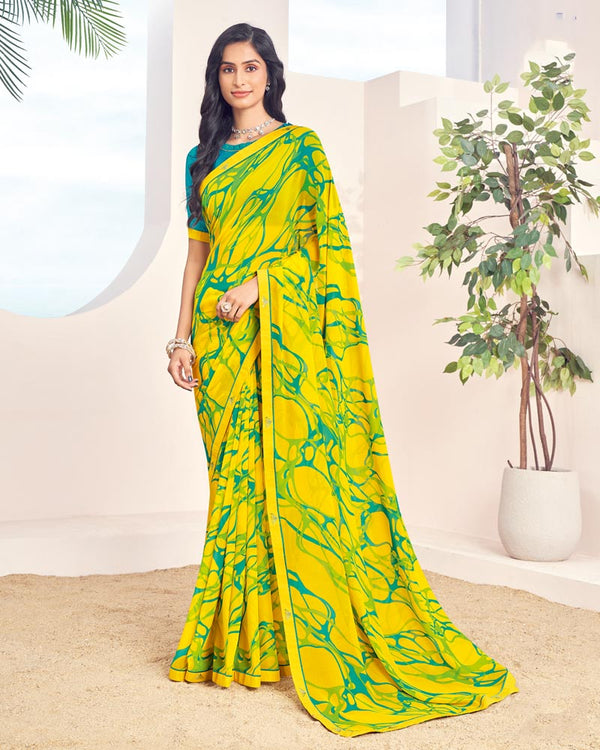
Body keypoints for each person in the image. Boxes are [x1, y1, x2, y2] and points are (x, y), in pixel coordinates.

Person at [165, 21, 518, 739]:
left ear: (270, 75)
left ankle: (296, 634)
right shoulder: (201, 159)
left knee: (291, 481)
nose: (239, 80)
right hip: (220, 342)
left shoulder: (301, 150)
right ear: (216, 78)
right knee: (235, 488)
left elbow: (325, 253)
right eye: (228, 69)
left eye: (251, 67)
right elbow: (198, 257)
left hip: (282, 333)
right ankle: (245, 642)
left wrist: (263, 286)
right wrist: (180, 337)